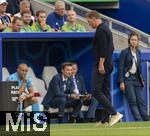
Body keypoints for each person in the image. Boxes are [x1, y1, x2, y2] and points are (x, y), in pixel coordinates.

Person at [86, 10, 123, 126]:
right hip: (108, 64)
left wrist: (101, 64)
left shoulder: (100, 30)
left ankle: (114, 113)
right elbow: (111, 48)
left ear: (93, 18)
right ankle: (104, 120)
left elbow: (103, 48)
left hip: (101, 64)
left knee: (96, 91)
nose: (89, 24)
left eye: (88, 21)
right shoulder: (106, 29)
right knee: (105, 91)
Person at [118, 32, 149, 121]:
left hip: (137, 79)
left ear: (138, 41)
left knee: (141, 101)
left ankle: (146, 119)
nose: (134, 42)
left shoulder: (138, 52)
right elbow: (121, 68)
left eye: (135, 40)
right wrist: (121, 82)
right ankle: (138, 120)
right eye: (132, 40)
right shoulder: (124, 52)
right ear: (129, 41)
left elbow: (138, 67)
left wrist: (141, 79)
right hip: (127, 79)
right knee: (133, 101)